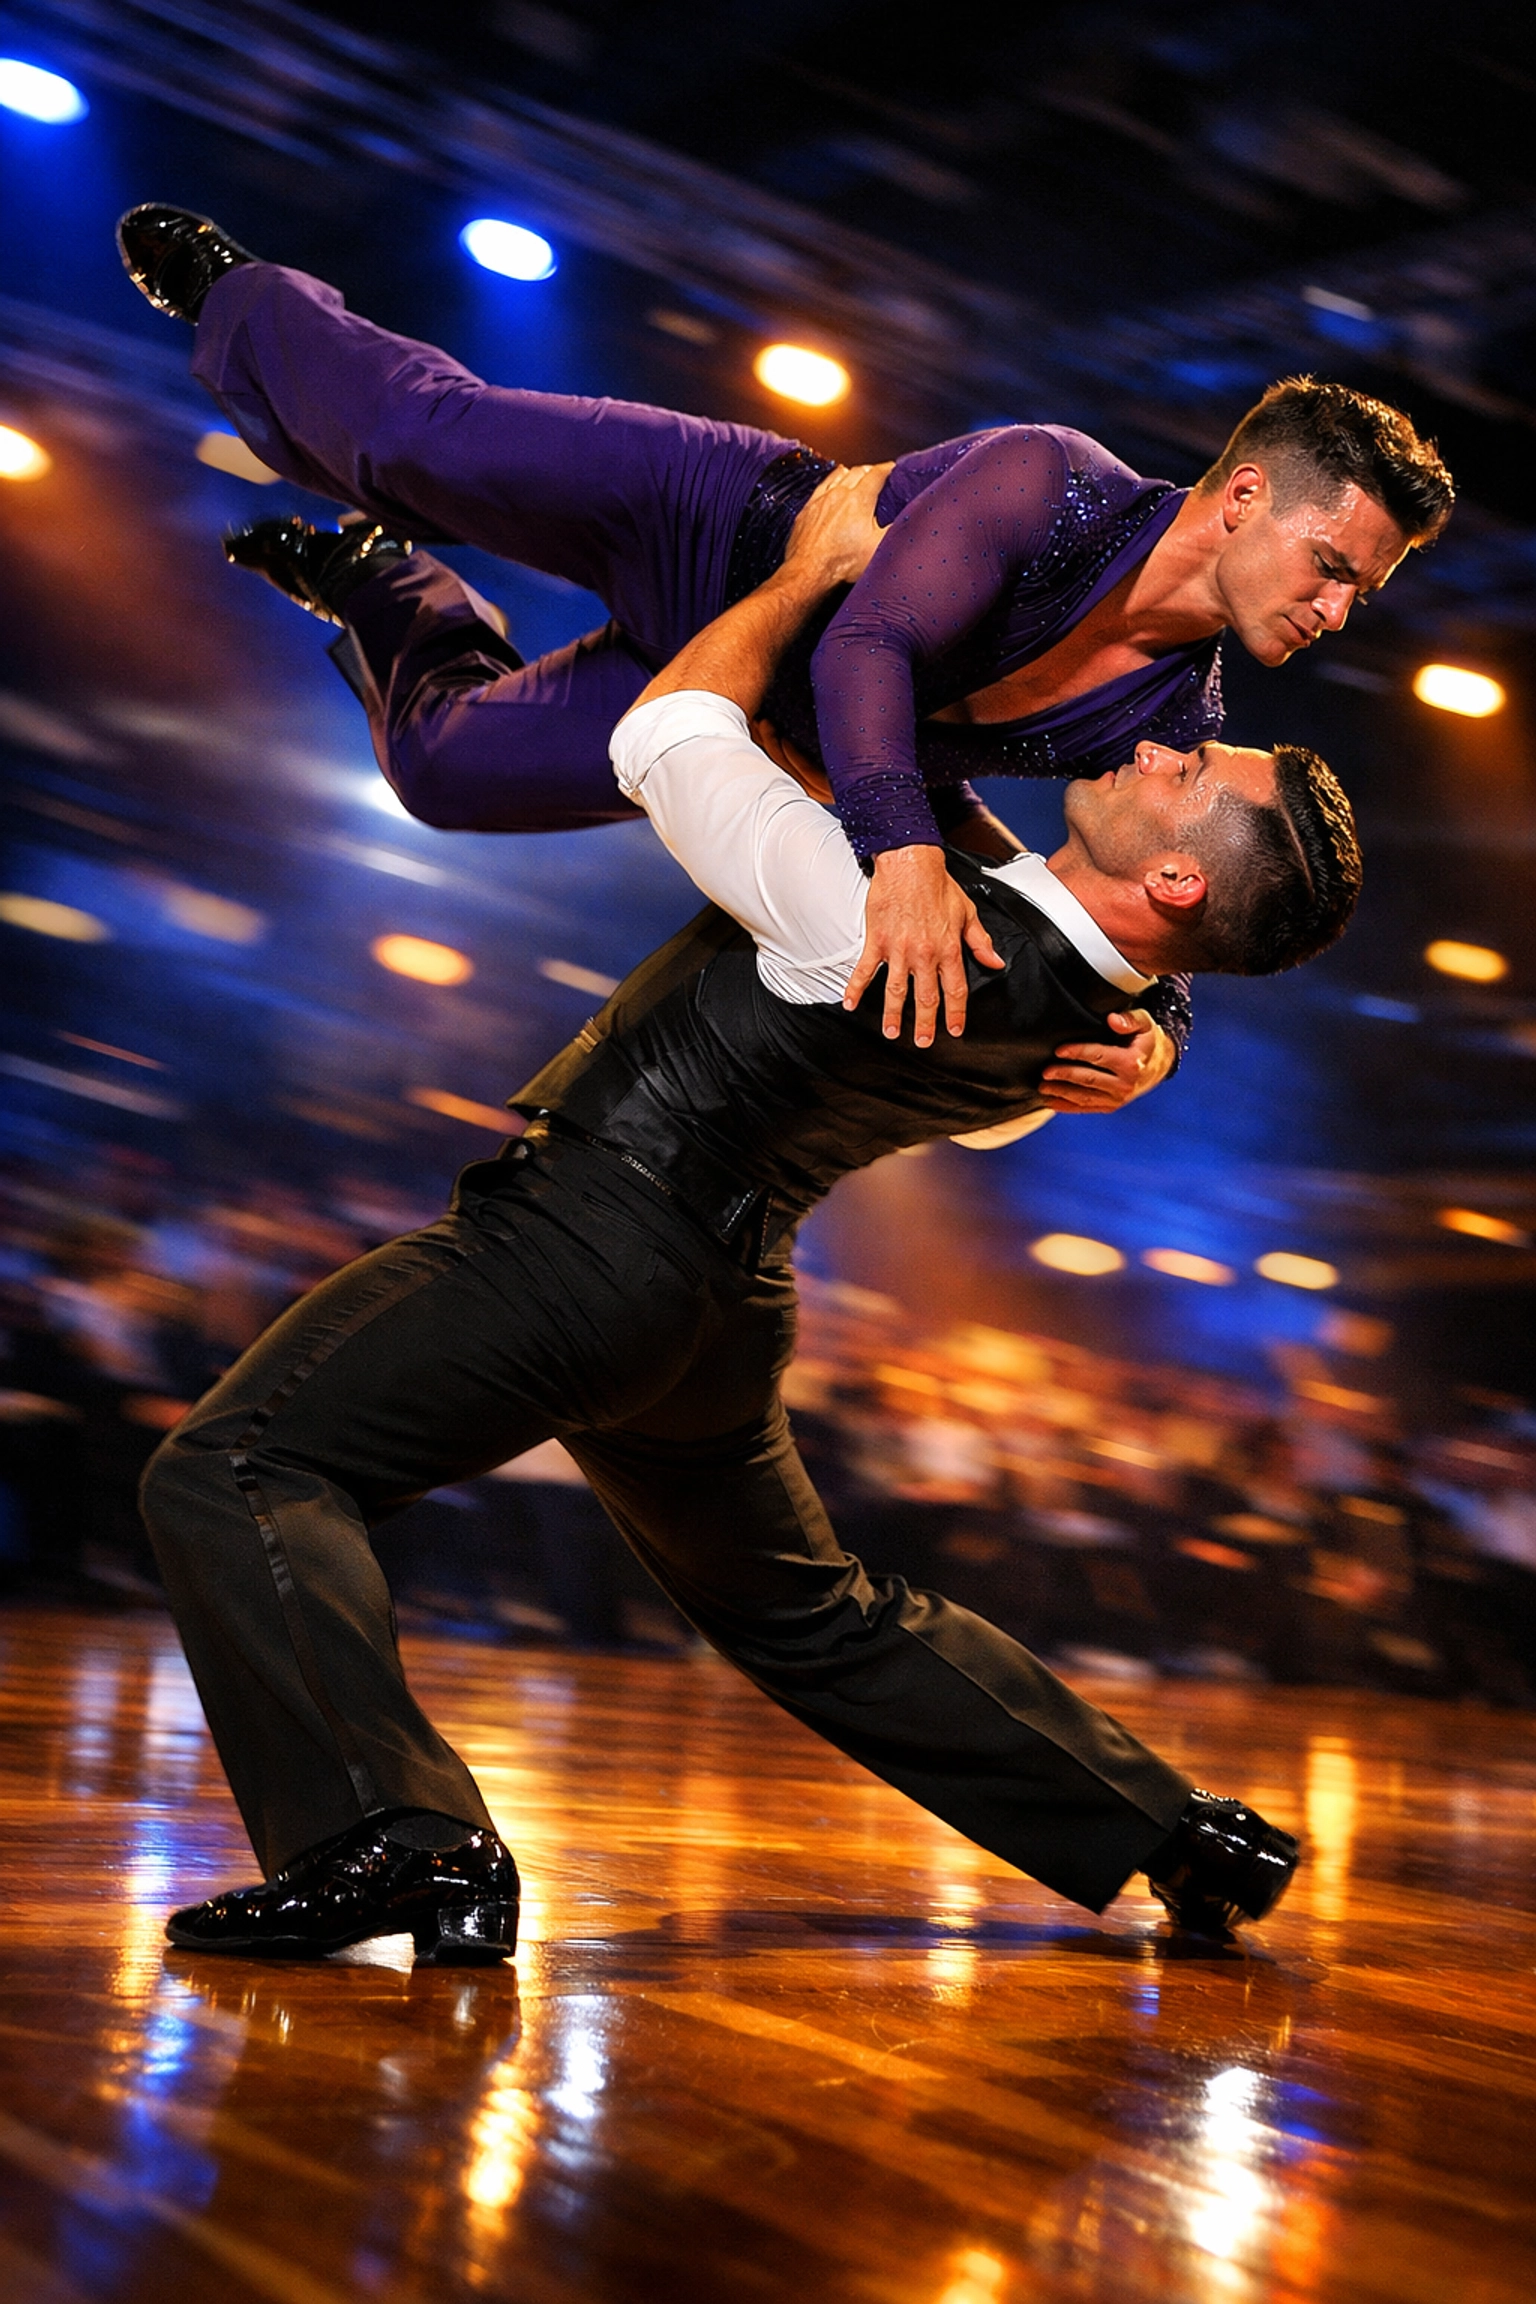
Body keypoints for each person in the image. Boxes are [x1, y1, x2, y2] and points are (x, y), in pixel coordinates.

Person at [139, 464, 1359, 1969]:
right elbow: (999, 857)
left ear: (1175, 870)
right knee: (811, 1614)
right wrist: (1168, 1009)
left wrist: (802, 581)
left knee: (239, 1467)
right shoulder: (1079, 1030)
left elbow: (666, 737)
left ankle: (396, 1836)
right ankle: (1179, 1833)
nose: (1171, 743)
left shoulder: (888, 918)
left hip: (586, 1241)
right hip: (715, 1304)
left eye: (1194, 774)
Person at [117, 202, 1441, 1048]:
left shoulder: (1175, 723)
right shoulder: (1056, 480)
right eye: (1332, 566)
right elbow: (869, 642)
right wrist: (905, 854)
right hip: (718, 524)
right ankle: (238, 298)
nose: (1335, 610)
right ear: (1248, 494)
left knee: (444, 774)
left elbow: (1194, 903)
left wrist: (1155, 1041)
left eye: (1359, 597)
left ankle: (375, 583)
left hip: (731, 694)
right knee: (408, 438)